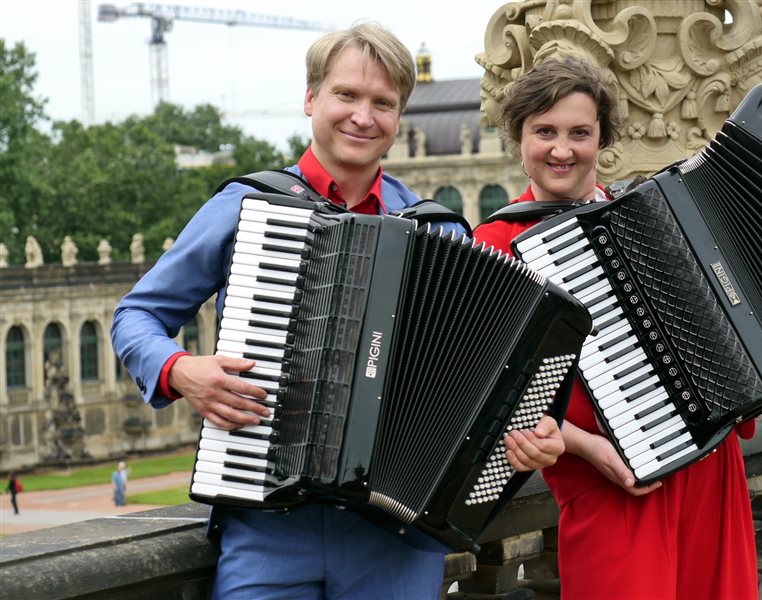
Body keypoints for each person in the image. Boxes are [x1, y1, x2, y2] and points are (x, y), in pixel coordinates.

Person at [111, 22, 562, 600]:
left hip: (396, 538)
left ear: (399, 119)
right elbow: (137, 315)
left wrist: (528, 434)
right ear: (311, 99)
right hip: (266, 525)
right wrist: (179, 370)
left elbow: (484, 383)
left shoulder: (438, 229)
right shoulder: (248, 205)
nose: (363, 116)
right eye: (346, 95)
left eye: (383, 103)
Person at [474, 57, 762, 599]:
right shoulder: (496, 245)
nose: (562, 149)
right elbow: (492, 396)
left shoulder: (652, 209)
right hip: (613, 487)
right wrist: (587, 448)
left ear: (602, 137)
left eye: (580, 132)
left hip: (711, 473)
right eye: (544, 132)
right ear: (518, 138)